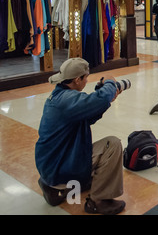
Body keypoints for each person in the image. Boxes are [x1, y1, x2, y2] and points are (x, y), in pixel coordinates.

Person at [35, 58, 125, 215]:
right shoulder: (66, 100)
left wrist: (102, 94)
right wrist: (110, 84)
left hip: (52, 166)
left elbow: (88, 115)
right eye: (86, 77)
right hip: (60, 167)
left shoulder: (60, 96)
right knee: (113, 145)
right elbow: (99, 100)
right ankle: (99, 201)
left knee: (93, 164)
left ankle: (56, 188)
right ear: (77, 80)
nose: (87, 80)